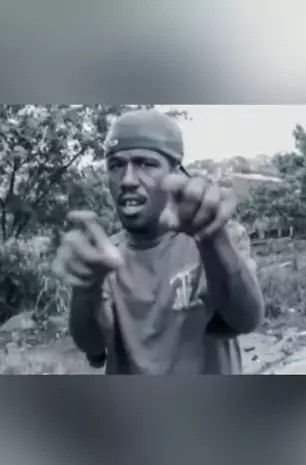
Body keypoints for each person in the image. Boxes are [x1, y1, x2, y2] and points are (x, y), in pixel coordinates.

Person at [53, 109, 264, 374]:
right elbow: (93, 346)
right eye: (116, 165)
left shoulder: (221, 235)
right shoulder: (105, 257)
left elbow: (244, 320)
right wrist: (86, 289)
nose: (128, 180)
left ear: (175, 173)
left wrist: (211, 238)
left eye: (146, 164)